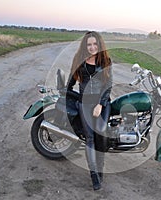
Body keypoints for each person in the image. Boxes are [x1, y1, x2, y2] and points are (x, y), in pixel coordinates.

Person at [66, 31, 112, 190]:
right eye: (89, 44)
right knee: (90, 137)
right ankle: (94, 175)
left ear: (99, 44)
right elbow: (70, 83)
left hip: (102, 103)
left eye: (95, 44)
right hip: (84, 102)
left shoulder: (105, 60)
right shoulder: (79, 60)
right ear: (85, 46)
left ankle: (100, 169)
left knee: (101, 132)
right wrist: (74, 98)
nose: (92, 47)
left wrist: (100, 104)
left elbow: (108, 85)